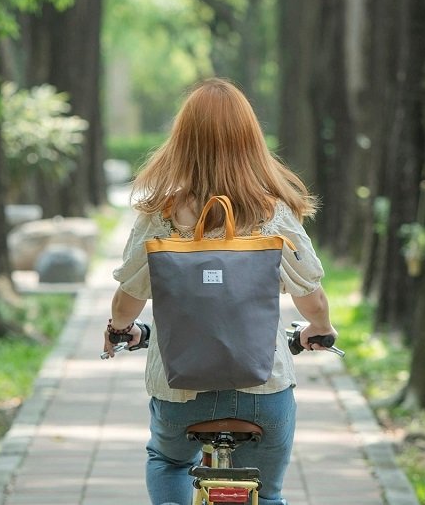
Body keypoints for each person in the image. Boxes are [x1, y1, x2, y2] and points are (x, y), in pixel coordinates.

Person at [102, 78, 335, 505]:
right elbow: (312, 298)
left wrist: (120, 329)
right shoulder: (274, 215)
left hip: (179, 392)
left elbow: (127, 300)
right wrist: (319, 329)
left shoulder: (160, 217)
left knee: (168, 461)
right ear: (251, 140)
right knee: (268, 493)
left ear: (182, 142)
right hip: (263, 390)